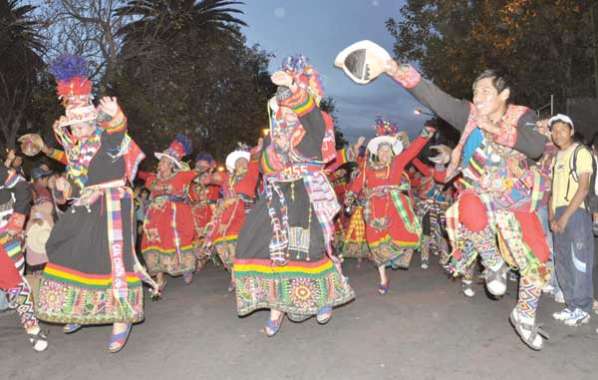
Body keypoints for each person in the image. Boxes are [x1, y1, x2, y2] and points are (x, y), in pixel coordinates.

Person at [335, 41, 550, 350]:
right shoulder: (469, 115)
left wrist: (497, 130)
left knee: (539, 260)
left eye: (485, 92)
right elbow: (435, 97)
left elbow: (536, 147)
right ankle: (493, 263)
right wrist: (392, 68)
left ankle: (525, 315)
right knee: (468, 210)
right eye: (475, 92)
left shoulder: (523, 116)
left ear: (504, 95)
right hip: (481, 195)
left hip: (516, 199)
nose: (478, 97)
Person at [35, 55, 155, 353]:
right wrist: (64, 188)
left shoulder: (107, 140)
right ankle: (79, 308)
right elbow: (77, 184)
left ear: (92, 119)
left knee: (112, 260)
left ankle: (121, 318)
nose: (77, 128)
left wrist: (116, 117)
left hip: (113, 205)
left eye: (82, 121)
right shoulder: (78, 151)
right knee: (64, 246)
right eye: (72, 124)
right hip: (86, 206)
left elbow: (117, 135)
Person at [233, 56, 355, 336]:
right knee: (254, 238)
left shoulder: (315, 124)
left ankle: (323, 298)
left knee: (306, 246)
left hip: (305, 193)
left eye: (290, 109)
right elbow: (263, 167)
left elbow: (310, 115)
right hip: (276, 193)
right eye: (281, 111)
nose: (285, 115)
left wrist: (293, 88)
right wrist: (273, 155)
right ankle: (277, 304)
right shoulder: (272, 137)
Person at [345, 119, 435, 294]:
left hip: (393, 207)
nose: (385, 153)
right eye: (382, 150)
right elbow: (356, 185)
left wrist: (425, 134)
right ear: (377, 153)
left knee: (400, 237)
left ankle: (398, 258)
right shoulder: (367, 169)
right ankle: (383, 279)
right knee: (375, 244)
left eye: (388, 150)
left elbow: (412, 150)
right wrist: (349, 197)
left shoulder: (396, 164)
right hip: (372, 210)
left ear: (392, 153)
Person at [549, 114, 594, 326]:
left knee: (579, 261)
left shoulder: (580, 152)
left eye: (562, 129)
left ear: (571, 131)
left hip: (575, 213)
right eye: (554, 130)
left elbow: (584, 188)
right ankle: (572, 305)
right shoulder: (556, 157)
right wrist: (551, 218)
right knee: (563, 261)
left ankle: (583, 308)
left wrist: (565, 217)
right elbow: (551, 192)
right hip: (558, 214)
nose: (558, 134)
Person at [0, 164, 47, 352]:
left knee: (15, 282)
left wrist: (17, 219)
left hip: (7, 233)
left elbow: (22, 187)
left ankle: (32, 326)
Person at [201, 143, 261, 292]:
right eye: (238, 161)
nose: (242, 163)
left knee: (244, 244)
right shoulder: (227, 177)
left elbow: (258, 155)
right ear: (233, 165)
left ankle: (240, 277)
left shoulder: (252, 171)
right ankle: (234, 274)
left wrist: (257, 147)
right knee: (222, 242)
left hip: (246, 211)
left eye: (244, 161)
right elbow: (207, 180)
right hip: (227, 213)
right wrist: (208, 170)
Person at [140, 134, 197, 288]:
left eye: (164, 162)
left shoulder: (181, 177)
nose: (160, 164)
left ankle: (185, 267)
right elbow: (149, 184)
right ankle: (159, 279)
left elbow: (197, 172)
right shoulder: (153, 178)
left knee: (173, 242)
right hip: (155, 216)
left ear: (172, 165)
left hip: (174, 215)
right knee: (153, 244)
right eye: (161, 161)